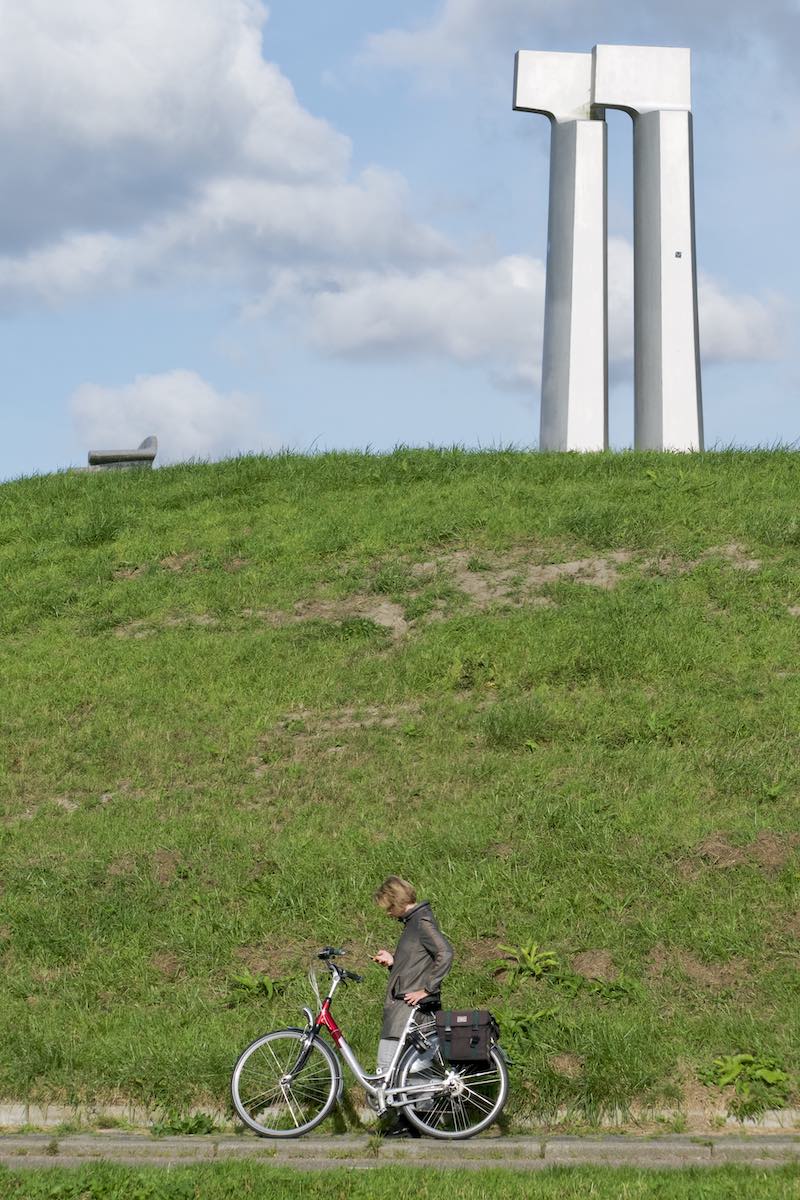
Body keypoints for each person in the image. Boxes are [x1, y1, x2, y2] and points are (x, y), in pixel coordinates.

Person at [371, 875, 453, 1137]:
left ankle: (416, 1123)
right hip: (401, 1008)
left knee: (406, 1067)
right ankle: (411, 1122)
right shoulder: (412, 923)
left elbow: (445, 952)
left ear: (395, 901)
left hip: (411, 1011)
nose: (387, 914)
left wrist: (427, 989)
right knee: (399, 1067)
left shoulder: (421, 921)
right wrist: (394, 961)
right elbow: (417, 962)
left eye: (388, 908)